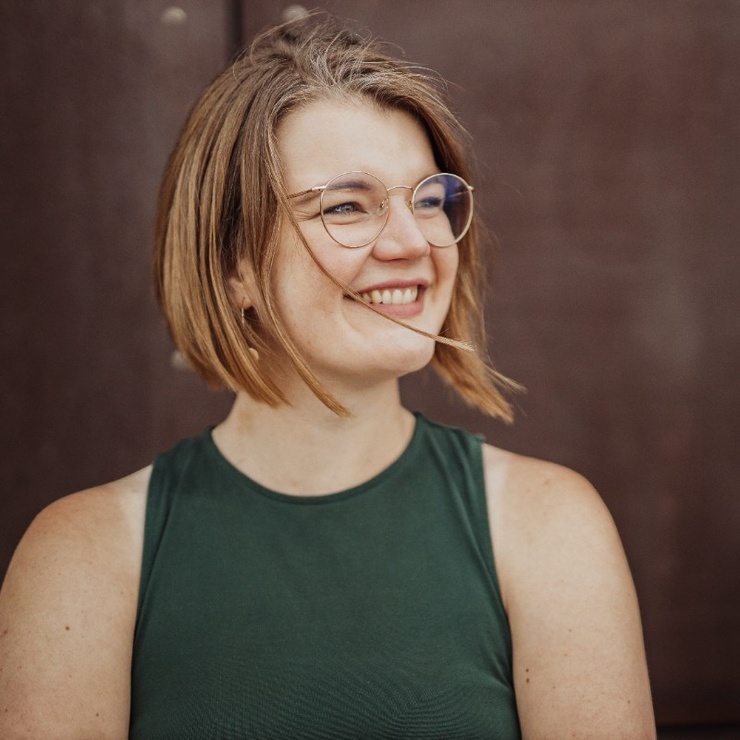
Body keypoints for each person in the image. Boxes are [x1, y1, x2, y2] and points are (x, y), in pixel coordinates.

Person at [0, 13, 655, 739]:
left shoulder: (551, 527)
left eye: (428, 199)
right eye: (346, 206)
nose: (413, 242)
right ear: (234, 267)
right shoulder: (83, 555)